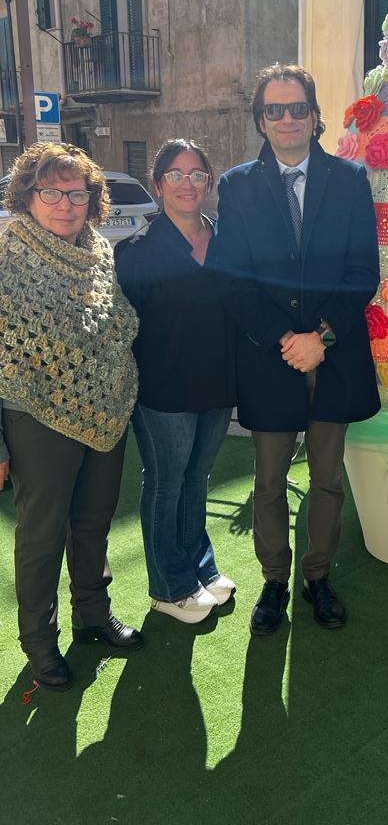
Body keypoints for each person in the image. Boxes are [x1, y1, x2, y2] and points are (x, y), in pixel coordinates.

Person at [215, 63, 380, 635]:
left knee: (329, 481)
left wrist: (323, 338)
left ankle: (318, 575)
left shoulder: (350, 179)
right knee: (267, 484)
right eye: (274, 110)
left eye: (297, 109)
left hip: (332, 361)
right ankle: (273, 581)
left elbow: (363, 273)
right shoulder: (236, 186)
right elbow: (231, 278)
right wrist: (288, 340)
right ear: (261, 120)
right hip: (271, 360)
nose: (287, 119)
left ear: (315, 116)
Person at [0, 143, 143, 692]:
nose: (65, 205)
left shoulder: (100, 253)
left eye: (76, 194)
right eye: (52, 193)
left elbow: (115, 326)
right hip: (34, 419)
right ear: (28, 197)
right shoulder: (8, 257)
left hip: (104, 412)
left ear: (92, 199)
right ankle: (38, 642)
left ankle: (92, 613)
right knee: (41, 536)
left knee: (94, 521)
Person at [115, 140, 236, 625]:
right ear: (159, 183)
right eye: (176, 174)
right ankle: (169, 587)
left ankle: (199, 570)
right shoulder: (136, 250)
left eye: (197, 174)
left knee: (197, 480)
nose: (188, 184)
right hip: (163, 392)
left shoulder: (228, 239)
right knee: (166, 485)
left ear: (209, 181)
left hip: (216, 386)